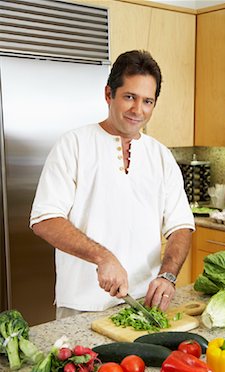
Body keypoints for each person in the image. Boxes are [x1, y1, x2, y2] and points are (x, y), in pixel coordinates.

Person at [30, 50, 195, 319]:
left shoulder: (161, 156)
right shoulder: (73, 145)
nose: (137, 110)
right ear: (109, 94)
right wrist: (102, 257)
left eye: (147, 101)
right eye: (129, 97)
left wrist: (167, 276)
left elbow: (181, 226)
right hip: (81, 305)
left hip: (142, 305)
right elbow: (44, 219)